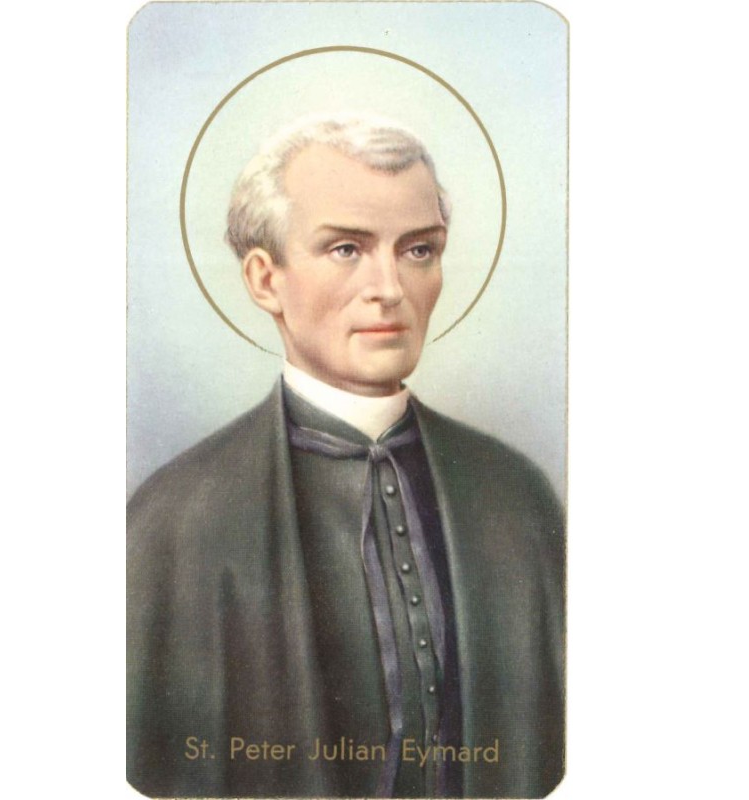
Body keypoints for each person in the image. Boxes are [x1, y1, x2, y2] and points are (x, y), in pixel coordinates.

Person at [127, 113, 565, 799]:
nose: (389, 288)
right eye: (346, 249)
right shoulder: (173, 519)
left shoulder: (515, 494)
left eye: (418, 250)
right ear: (265, 279)